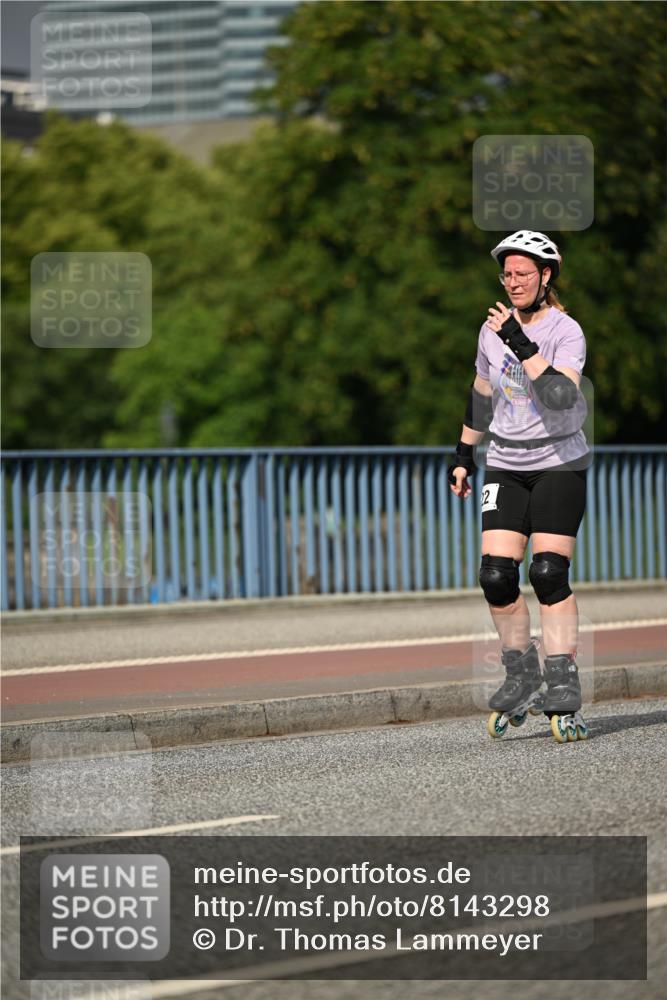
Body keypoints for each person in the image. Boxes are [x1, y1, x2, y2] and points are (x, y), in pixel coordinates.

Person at [447, 230, 590, 744]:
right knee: (496, 577)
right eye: (507, 274)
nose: (513, 282)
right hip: (505, 462)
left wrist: (519, 341)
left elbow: (559, 396)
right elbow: (482, 394)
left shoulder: (566, 331)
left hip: (559, 464)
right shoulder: (491, 330)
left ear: (546, 276)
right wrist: (463, 455)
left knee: (548, 573)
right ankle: (522, 673)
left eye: (523, 274)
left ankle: (563, 684)